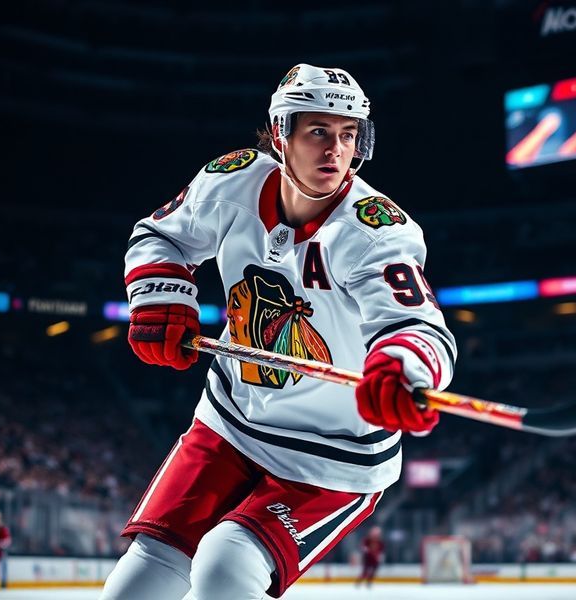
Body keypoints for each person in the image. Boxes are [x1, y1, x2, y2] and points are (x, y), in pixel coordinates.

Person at [100, 63, 456, 600]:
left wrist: (401, 366)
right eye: (318, 132)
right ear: (279, 134)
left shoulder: (376, 230)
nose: (335, 150)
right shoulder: (230, 181)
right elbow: (158, 237)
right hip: (230, 422)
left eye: (348, 134)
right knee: (143, 574)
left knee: (225, 568)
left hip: (332, 454)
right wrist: (163, 300)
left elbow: (417, 324)